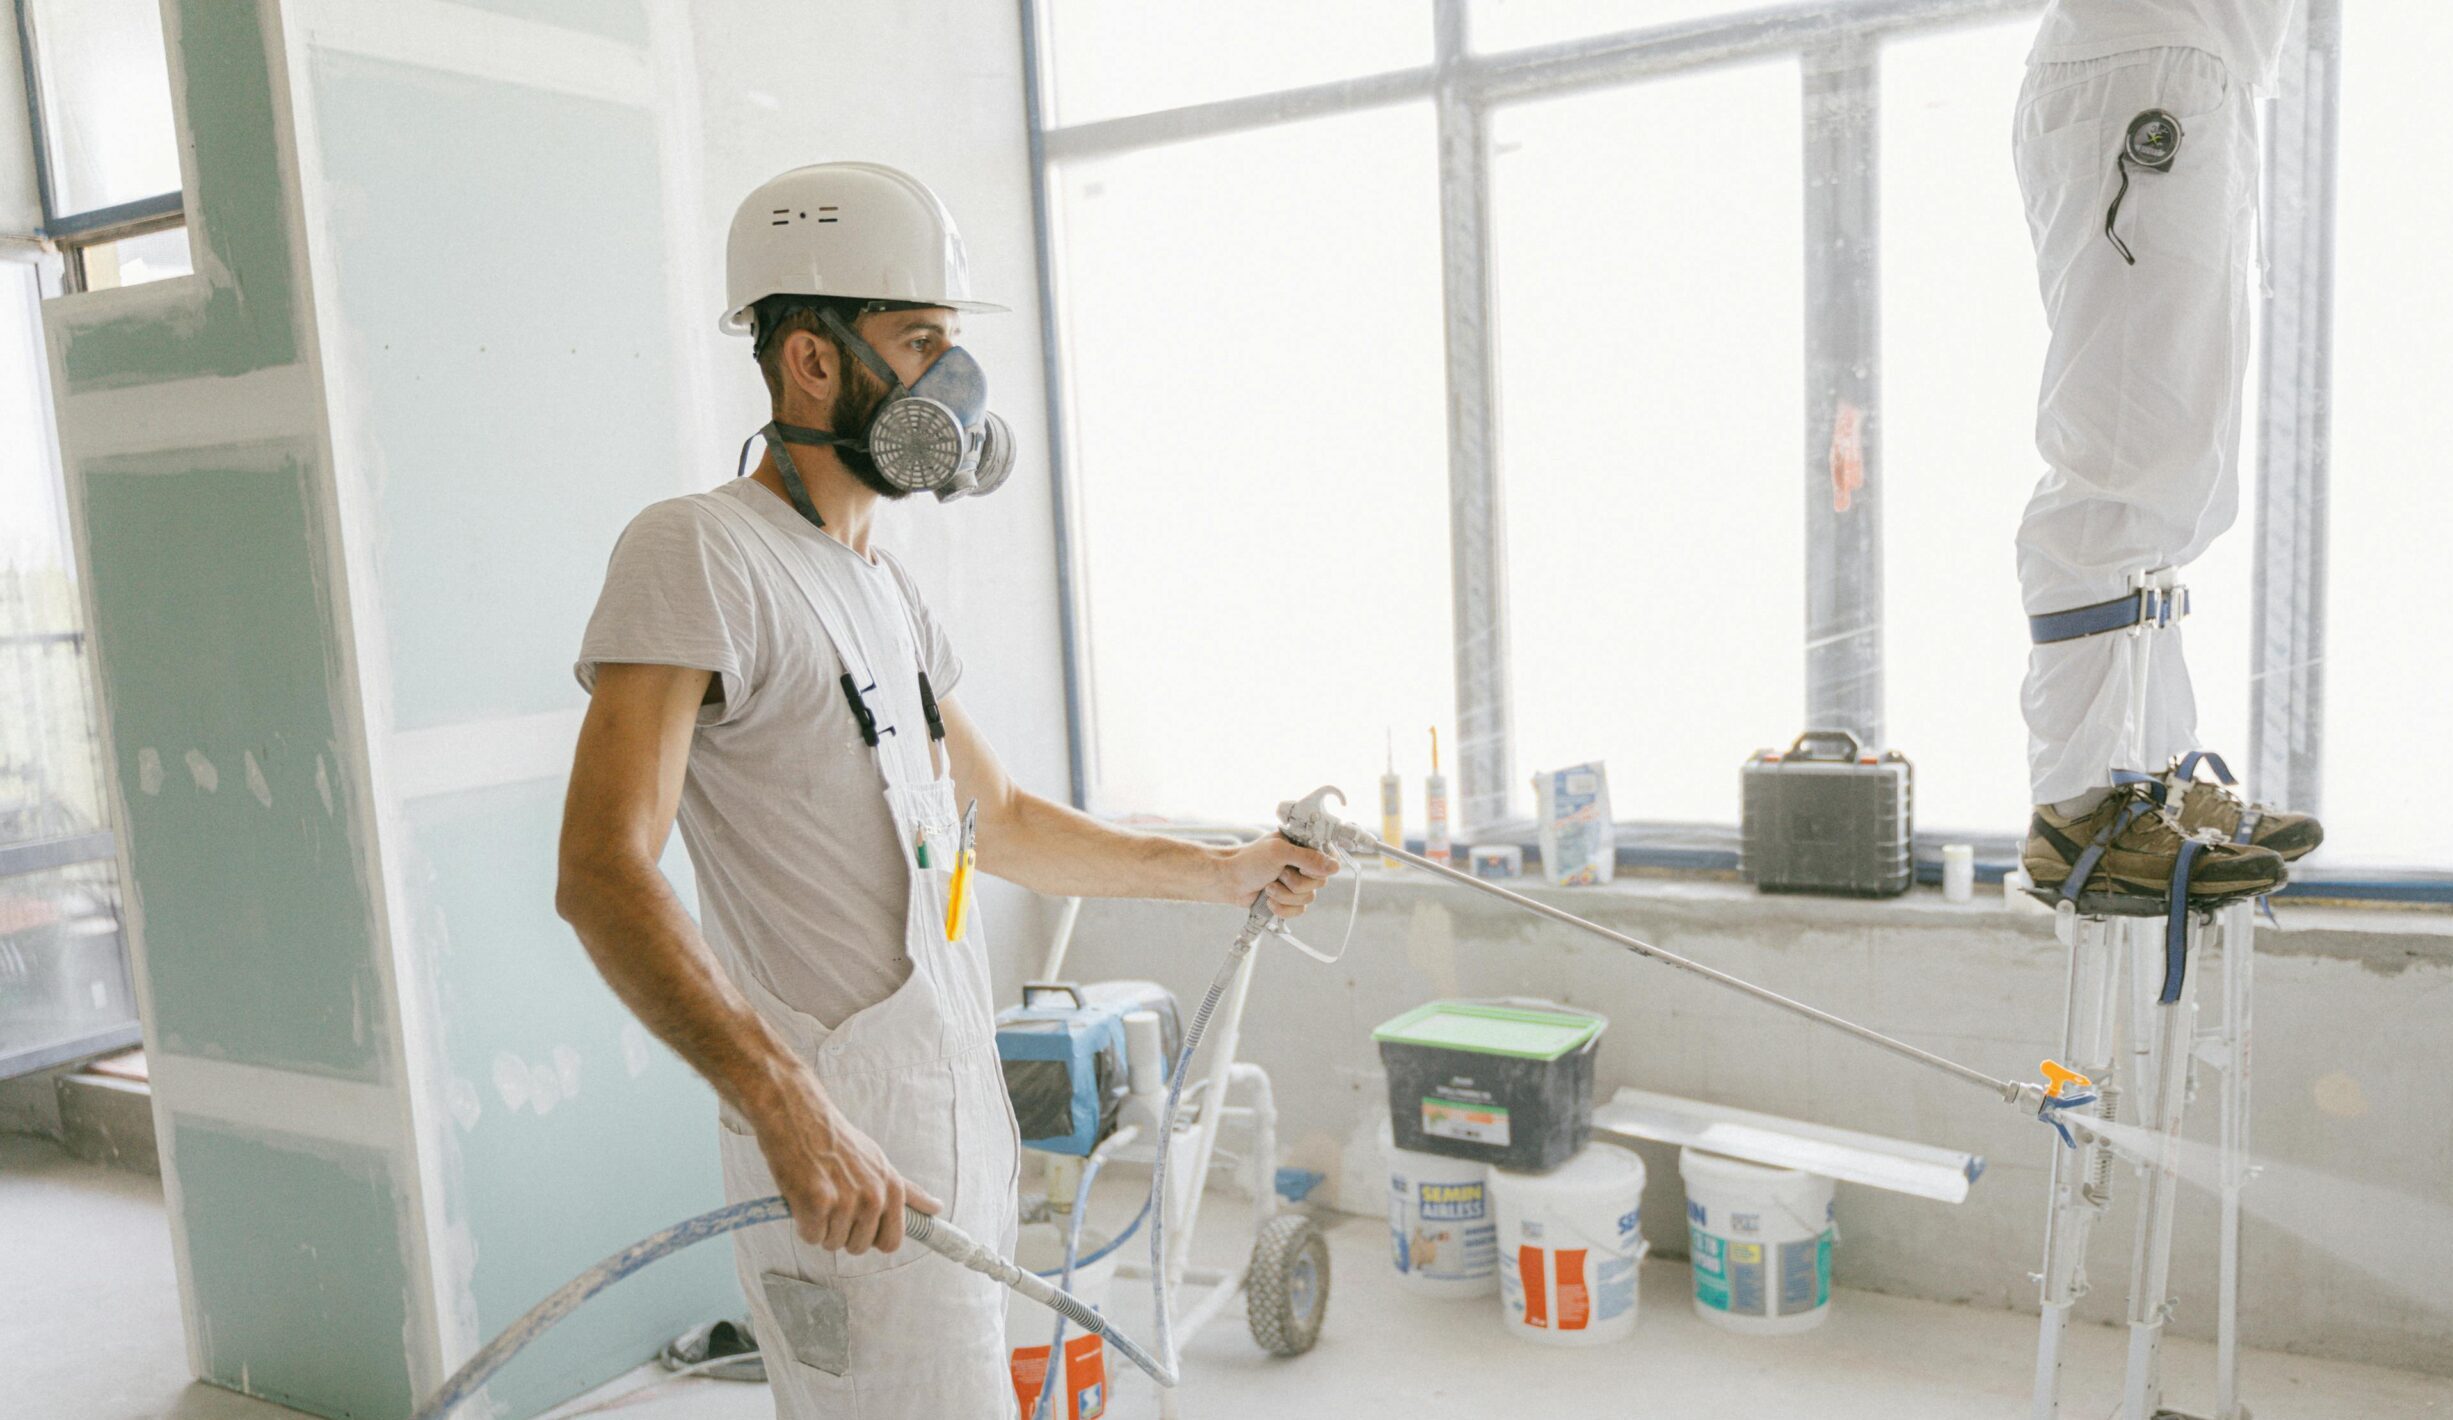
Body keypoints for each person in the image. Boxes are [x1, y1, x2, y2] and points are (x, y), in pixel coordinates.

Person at [555, 161, 1337, 1418]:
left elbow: (1004, 819)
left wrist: (1220, 871)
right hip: (841, 1145)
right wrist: (781, 1104)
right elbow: (601, 869)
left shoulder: (886, 589)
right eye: (920, 344)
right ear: (811, 361)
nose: (954, 389)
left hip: (948, 1114)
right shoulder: (698, 550)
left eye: (951, 348)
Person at [2011, 0, 2322, 901]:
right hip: (2153, 66)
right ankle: (2082, 808)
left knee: (2174, 474)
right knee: (2124, 460)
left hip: (2178, 69)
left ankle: (2145, 781)